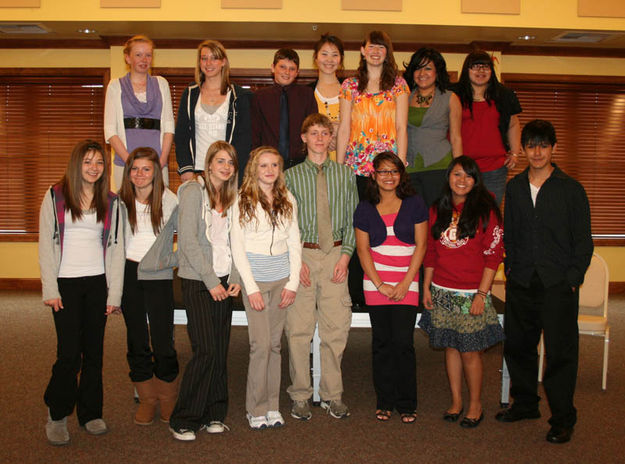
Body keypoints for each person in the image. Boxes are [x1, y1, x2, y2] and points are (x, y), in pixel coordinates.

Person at [497, 120, 593, 444]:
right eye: (531, 145)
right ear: (523, 149)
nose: (537, 152)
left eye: (543, 145)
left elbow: (583, 241)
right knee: (519, 346)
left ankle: (563, 418)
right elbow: (509, 233)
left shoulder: (571, 189)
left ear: (553, 148)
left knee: (560, 353)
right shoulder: (515, 187)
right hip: (522, 280)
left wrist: (573, 279)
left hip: (558, 284)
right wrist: (510, 270)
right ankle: (525, 404)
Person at [38, 140, 125, 445]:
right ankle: (58, 412)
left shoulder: (112, 202)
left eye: (99, 162)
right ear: (77, 164)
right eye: (88, 162)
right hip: (65, 286)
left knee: (94, 353)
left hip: (97, 284)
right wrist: (50, 287)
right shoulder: (55, 196)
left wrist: (114, 296)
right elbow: (46, 247)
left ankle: (90, 413)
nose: (94, 168)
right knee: (69, 353)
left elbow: (117, 249)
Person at [419, 155, 504, 428]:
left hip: (471, 294)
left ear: (475, 180)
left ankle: (475, 404)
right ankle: (456, 401)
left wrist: (481, 295)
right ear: (448, 178)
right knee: (451, 348)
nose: (462, 180)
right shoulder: (438, 209)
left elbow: (493, 256)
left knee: (470, 352)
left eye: (468, 175)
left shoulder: (485, 210)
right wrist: (427, 288)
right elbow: (430, 252)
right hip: (442, 289)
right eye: (457, 174)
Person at [284, 113, 358, 421]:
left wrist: (346, 256)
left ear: (331, 138)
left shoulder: (346, 174)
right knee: (298, 330)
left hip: (335, 254)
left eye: (324, 133)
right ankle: (300, 395)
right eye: (313, 132)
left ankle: (332, 395)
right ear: (303, 138)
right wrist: (294, 260)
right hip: (302, 254)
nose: (319, 138)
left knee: (335, 329)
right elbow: (284, 222)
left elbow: (355, 218)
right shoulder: (289, 176)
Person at [168, 141, 242, 441]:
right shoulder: (191, 192)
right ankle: (183, 418)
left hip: (225, 279)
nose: (226, 167)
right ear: (208, 163)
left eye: (231, 163)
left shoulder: (232, 197)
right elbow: (187, 241)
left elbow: (236, 241)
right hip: (199, 280)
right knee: (205, 350)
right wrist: (211, 281)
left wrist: (234, 276)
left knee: (220, 349)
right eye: (220, 161)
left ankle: (214, 413)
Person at [353, 152, 428, 424]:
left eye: (394, 171)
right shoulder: (364, 207)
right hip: (376, 285)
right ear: (373, 175)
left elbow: (421, 245)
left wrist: (406, 282)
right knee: (382, 344)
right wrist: (381, 284)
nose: (388, 176)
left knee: (404, 344)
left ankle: (407, 403)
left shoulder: (415, 203)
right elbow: (362, 250)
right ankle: (384, 400)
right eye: (383, 172)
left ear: (401, 175)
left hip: (407, 283)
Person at [231, 146, 301, 430]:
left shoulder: (287, 198)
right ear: (253, 169)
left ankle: (273, 406)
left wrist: (293, 283)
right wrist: (251, 288)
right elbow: (238, 248)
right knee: (260, 346)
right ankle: (255, 408)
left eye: (274, 165)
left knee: (274, 345)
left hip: (281, 281)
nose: (269, 170)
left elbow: (295, 243)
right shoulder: (242, 200)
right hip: (256, 283)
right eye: (263, 165)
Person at [118, 147, 179, 426]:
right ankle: (147, 399)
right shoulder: (119, 202)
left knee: (163, 341)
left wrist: (169, 260)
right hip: (128, 273)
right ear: (128, 173)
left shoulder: (171, 201)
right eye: (135, 169)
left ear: (156, 171)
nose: (140, 174)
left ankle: (167, 397)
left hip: (159, 275)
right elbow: (109, 247)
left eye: (146, 169)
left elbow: (192, 240)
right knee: (137, 340)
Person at [336, 30, 409, 195]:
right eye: (372, 46)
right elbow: (344, 128)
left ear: (387, 52)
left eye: (381, 47)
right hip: (356, 165)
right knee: (360, 215)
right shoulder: (350, 85)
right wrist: (339, 167)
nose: (376, 51)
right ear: (363, 50)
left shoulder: (398, 85)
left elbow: (401, 127)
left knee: (387, 215)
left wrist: (401, 165)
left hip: (388, 166)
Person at [175, 40, 252, 181]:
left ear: (223, 62)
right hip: (197, 172)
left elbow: (245, 139)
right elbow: (181, 135)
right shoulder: (190, 94)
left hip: (226, 173)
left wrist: (232, 170)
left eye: (214, 58)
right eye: (204, 58)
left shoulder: (238, 96)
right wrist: (186, 169)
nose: (208, 63)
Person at [104, 35, 175, 190]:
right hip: (125, 163)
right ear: (128, 58)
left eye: (148, 55)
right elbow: (110, 131)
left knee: (159, 209)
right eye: (138, 55)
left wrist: (161, 162)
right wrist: (132, 165)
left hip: (157, 163)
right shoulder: (115, 86)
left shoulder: (162, 84)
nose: (144, 59)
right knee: (127, 210)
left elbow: (169, 127)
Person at [453, 50, 521, 205]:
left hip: (495, 169)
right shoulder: (453, 94)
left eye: (485, 67)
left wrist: (515, 153)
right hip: (462, 168)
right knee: (460, 211)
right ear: (466, 70)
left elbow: (513, 124)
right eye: (475, 67)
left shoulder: (504, 95)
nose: (481, 71)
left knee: (489, 214)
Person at [403, 47, 462, 207]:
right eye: (417, 68)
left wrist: (459, 170)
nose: (422, 73)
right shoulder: (403, 96)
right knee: (413, 217)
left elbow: (456, 137)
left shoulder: (450, 98)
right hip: (409, 167)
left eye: (428, 68)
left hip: (439, 165)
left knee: (438, 215)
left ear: (437, 72)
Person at [251, 49, 317, 168]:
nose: (287, 72)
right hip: (269, 164)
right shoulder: (259, 97)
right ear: (273, 68)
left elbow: (313, 129)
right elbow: (254, 134)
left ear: (297, 72)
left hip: (301, 164)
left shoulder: (307, 95)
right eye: (282, 67)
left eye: (292, 69)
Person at [309, 33, 345, 161]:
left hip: (348, 163)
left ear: (340, 59)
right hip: (316, 163)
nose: (329, 60)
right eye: (324, 54)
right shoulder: (307, 92)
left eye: (335, 55)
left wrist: (339, 137)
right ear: (316, 58)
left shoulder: (351, 89)